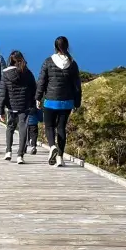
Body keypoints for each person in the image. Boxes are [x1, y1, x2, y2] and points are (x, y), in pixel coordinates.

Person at [35, 35, 82, 167]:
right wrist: (77, 103)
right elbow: (77, 86)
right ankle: (60, 157)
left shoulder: (48, 61)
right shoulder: (72, 63)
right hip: (66, 102)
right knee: (61, 127)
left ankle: (52, 147)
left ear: (55, 47)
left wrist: (38, 98)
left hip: (50, 100)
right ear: (67, 46)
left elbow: (42, 82)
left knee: (49, 126)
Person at [0, 50, 36, 164]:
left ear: (10, 60)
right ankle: (20, 155)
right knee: (23, 128)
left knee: (10, 127)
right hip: (24, 105)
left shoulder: (6, 74)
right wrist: (32, 103)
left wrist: (0, 111)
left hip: (11, 106)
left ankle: (8, 151)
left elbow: (2, 93)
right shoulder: (27, 73)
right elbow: (34, 88)